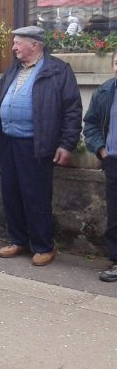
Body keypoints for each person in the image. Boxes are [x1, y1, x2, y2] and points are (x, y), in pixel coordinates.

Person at [0, 26, 82, 266]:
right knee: (11, 194)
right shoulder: (13, 70)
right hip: (9, 142)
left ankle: (43, 246)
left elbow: (72, 110)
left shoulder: (57, 71)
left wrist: (66, 144)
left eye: (18, 43)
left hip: (36, 143)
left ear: (35, 45)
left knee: (36, 196)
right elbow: (1, 108)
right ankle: (18, 240)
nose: (14, 47)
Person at [82, 50, 117, 282]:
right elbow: (91, 125)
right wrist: (102, 151)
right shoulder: (105, 92)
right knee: (115, 215)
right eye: (116, 61)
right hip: (113, 162)